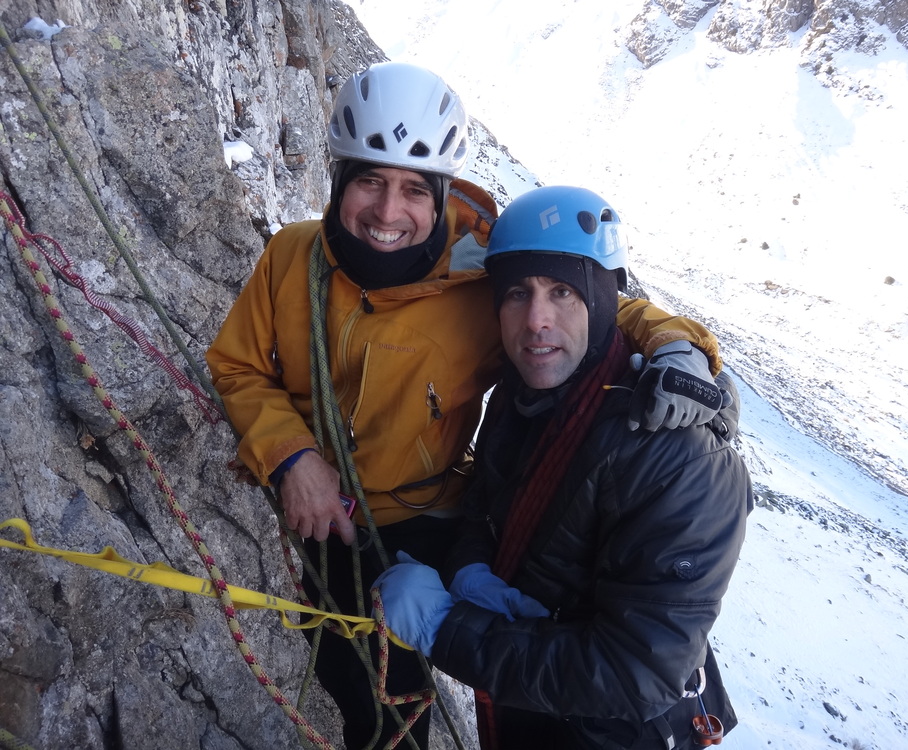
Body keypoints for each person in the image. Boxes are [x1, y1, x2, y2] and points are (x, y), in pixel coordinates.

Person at [207, 62, 730, 750]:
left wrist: (683, 349)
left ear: (441, 193)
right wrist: (292, 456)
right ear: (339, 182)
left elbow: (603, 306)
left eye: (413, 189)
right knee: (340, 670)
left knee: (399, 704)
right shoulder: (291, 257)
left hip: (425, 525)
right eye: (369, 179)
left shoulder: (483, 280)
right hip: (316, 512)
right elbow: (238, 365)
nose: (388, 213)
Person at [375, 185, 753, 750]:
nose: (537, 321)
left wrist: (445, 628)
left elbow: (634, 676)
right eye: (517, 295)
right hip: (529, 713)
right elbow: (485, 506)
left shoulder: (679, 457)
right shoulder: (520, 396)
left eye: (563, 293)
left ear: (603, 300)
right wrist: (472, 570)